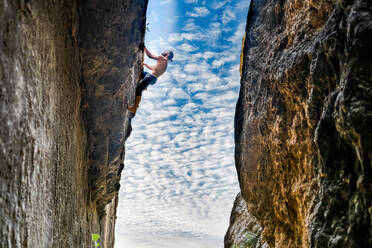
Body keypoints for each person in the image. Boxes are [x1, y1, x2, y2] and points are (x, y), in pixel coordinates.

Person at [128, 46, 174, 114]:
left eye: (166, 52)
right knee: (142, 73)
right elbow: (154, 68)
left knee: (138, 90)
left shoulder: (162, 58)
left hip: (150, 77)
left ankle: (134, 108)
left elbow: (150, 56)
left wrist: (144, 48)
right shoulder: (165, 63)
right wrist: (146, 65)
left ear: (168, 54)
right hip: (154, 79)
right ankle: (145, 87)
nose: (164, 52)